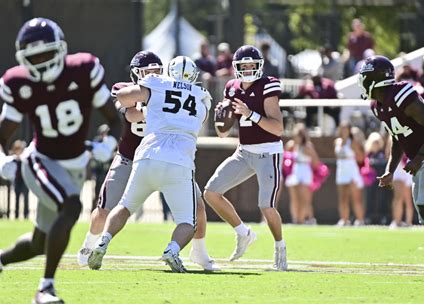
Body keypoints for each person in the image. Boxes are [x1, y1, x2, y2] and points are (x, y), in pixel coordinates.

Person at [0, 17, 120, 304]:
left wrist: (109, 144)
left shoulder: (84, 70)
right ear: (23, 59)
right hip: (40, 161)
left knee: (38, 243)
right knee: (71, 206)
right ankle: (45, 289)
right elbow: (0, 135)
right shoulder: (19, 83)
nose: (42, 63)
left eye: (47, 54)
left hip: (75, 165)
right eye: (34, 58)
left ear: (61, 50)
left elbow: (113, 119)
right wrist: (1, 159)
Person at [78, 51, 217, 271]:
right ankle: (89, 245)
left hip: (147, 156)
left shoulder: (158, 86)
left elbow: (133, 104)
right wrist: (155, 108)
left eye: (155, 71)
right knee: (104, 209)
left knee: (196, 208)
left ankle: (200, 254)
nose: (151, 74)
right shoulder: (197, 95)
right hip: (135, 158)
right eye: (146, 71)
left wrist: (155, 106)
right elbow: (129, 114)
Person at [358, 55, 424, 281]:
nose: (362, 82)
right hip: (423, 158)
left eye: (365, 77)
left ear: (376, 79)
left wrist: (420, 157)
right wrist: (391, 169)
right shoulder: (377, 105)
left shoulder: (402, 94)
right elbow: (397, 137)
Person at [204, 45, 287, 271]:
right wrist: (221, 118)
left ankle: (280, 248)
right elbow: (222, 134)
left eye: (252, 65)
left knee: (266, 206)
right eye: (245, 66)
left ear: (259, 66)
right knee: (211, 192)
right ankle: (244, 233)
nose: (249, 69)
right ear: (236, 68)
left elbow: (278, 128)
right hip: (243, 152)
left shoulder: (268, 85)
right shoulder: (231, 87)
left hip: (267, 152)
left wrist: (250, 113)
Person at [284, 123, 320, 224]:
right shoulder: (291, 145)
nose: (297, 137)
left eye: (300, 135)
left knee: (305, 198)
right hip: (294, 171)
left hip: (305, 171)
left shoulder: (308, 147)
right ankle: (296, 219)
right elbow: (285, 157)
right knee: (294, 198)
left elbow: (316, 163)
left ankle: (308, 218)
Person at [334, 122, 366, 226]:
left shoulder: (352, 142)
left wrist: (355, 153)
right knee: (343, 198)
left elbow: (361, 158)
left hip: (351, 171)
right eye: (342, 129)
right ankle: (344, 219)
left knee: (356, 198)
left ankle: (360, 220)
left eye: (345, 129)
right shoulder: (337, 142)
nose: (343, 131)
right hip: (341, 171)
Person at [10, 140, 29, 219]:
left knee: (25, 198)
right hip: (17, 180)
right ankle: (16, 215)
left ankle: (25, 214)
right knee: (17, 198)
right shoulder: (13, 159)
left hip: (24, 180)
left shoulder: (24, 159)